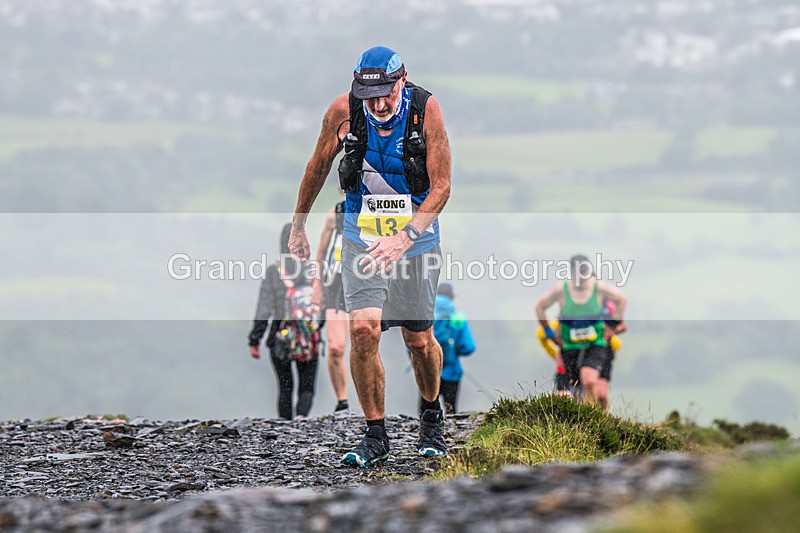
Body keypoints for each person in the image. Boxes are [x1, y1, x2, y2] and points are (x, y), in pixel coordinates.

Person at [288, 45, 452, 467]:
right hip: (361, 234)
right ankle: (375, 433)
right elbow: (317, 165)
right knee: (363, 330)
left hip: (416, 238)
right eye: (369, 94)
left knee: (419, 340)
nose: (378, 104)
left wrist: (404, 237)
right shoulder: (343, 110)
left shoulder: (425, 109)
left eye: (387, 93)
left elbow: (442, 188)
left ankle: (432, 414)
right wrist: (299, 225)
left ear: (403, 80)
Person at [534, 255, 627, 410]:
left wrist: (612, 326)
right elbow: (539, 307)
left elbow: (621, 299)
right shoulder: (561, 289)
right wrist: (549, 332)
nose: (582, 279)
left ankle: (592, 420)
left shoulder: (598, 287)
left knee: (589, 380)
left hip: (595, 343)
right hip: (569, 346)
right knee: (570, 391)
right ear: (571, 272)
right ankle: (577, 420)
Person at [248, 223, 321, 420]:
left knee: (285, 387)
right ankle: (301, 420)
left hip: (280, 338)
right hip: (309, 339)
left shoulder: (274, 271)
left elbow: (264, 308)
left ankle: (286, 426)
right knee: (307, 387)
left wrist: (255, 339)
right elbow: (323, 307)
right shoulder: (314, 271)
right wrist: (316, 329)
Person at [314, 200, 351, 412]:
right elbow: (320, 253)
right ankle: (343, 401)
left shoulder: (378, 206)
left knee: (365, 341)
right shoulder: (336, 213)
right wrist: (318, 286)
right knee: (336, 347)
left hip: (367, 283)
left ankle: (371, 406)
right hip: (335, 285)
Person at [426, 283, 475, 414]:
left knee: (427, 409)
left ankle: (425, 430)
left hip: (428, 370)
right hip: (452, 372)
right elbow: (469, 347)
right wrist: (454, 349)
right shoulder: (458, 318)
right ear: (452, 297)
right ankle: (452, 432)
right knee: (450, 409)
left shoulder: (425, 315)